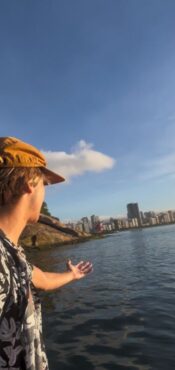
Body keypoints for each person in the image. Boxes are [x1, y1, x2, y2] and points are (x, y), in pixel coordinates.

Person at [0, 136, 93, 369]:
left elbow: (40, 278)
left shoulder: (13, 254)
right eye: (45, 184)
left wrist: (72, 275)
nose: (45, 193)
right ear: (28, 184)